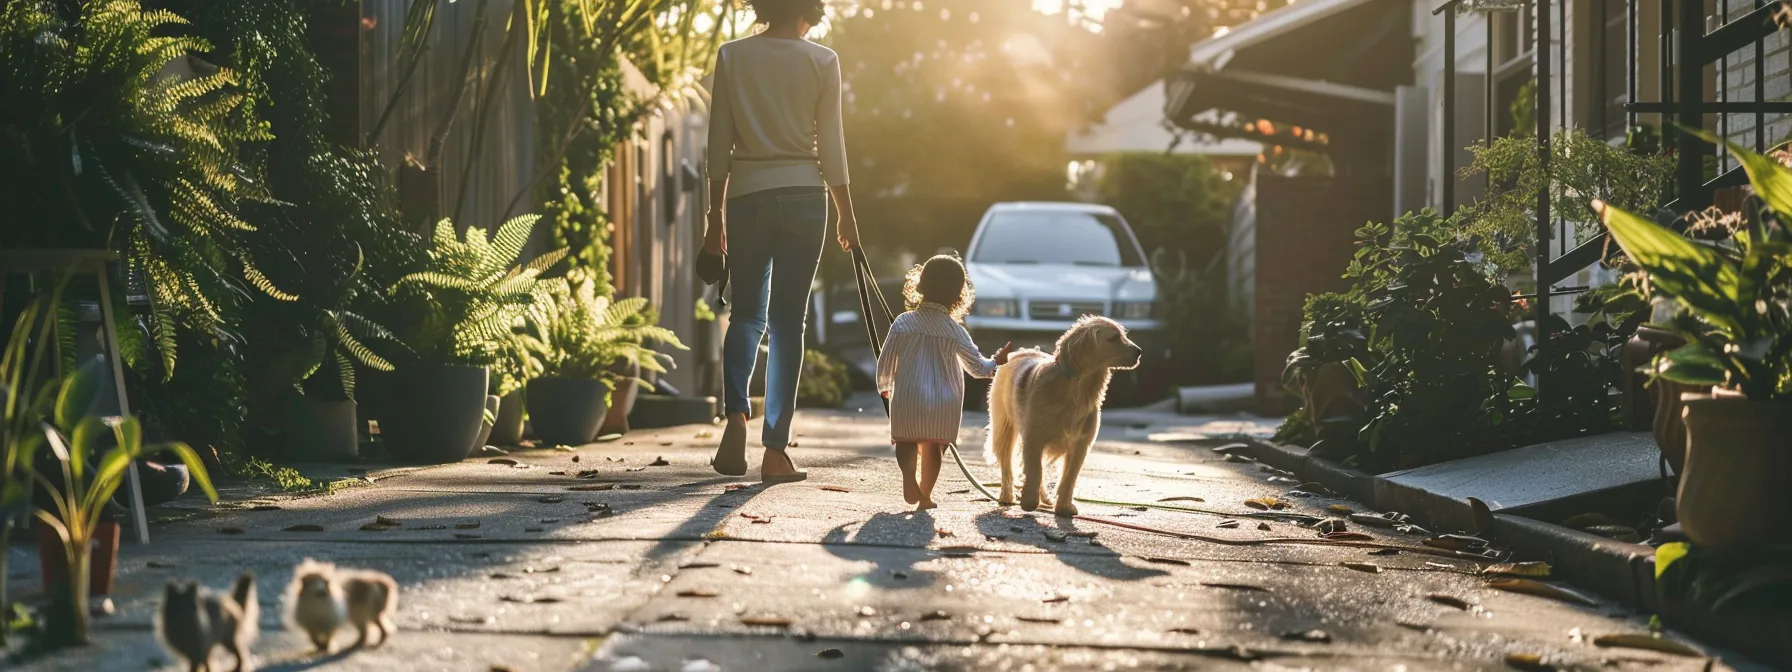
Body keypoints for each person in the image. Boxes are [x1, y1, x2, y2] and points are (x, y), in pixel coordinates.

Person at [704, 0, 858, 483]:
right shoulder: (822, 60)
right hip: (805, 196)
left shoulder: (732, 55)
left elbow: (717, 143)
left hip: (747, 196)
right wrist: (847, 215)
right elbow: (831, 143)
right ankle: (775, 450)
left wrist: (714, 218)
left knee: (747, 313)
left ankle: (734, 417)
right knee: (789, 323)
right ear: (808, 11)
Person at [876, 256, 1012, 510]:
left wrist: (884, 386)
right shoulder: (954, 330)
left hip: (908, 395)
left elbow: (886, 360)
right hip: (943, 400)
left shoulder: (902, 323)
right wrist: (997, 361)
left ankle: (909, 479)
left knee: (905, 440)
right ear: (959, 295)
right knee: (934, 448)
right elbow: (978, 368)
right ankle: (924, 495)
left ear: (920, 284)